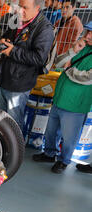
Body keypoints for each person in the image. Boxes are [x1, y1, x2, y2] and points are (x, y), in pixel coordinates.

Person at [33, 21, 92, 173]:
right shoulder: (82, 47)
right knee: (51, 131)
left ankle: (64, 161)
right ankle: (49, 153)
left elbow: (87, 77)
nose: (89, 36)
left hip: (76, 104)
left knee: (69, 136)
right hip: (60, 98)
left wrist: (69, 69)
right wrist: (73, 50)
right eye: (88, 32)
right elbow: (58, 63)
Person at [0, 0, 54, 132]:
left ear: (37, 8)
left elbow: (39, 58)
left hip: (19, 84)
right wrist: (4, 41)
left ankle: (15, 151)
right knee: (1, 122)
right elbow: (7, 37)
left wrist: (13, 51)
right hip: (4, 78)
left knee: (13, 125)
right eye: (19, 6)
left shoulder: (44, 28)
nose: (20, 10)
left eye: (25, 8)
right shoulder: (18, 20)